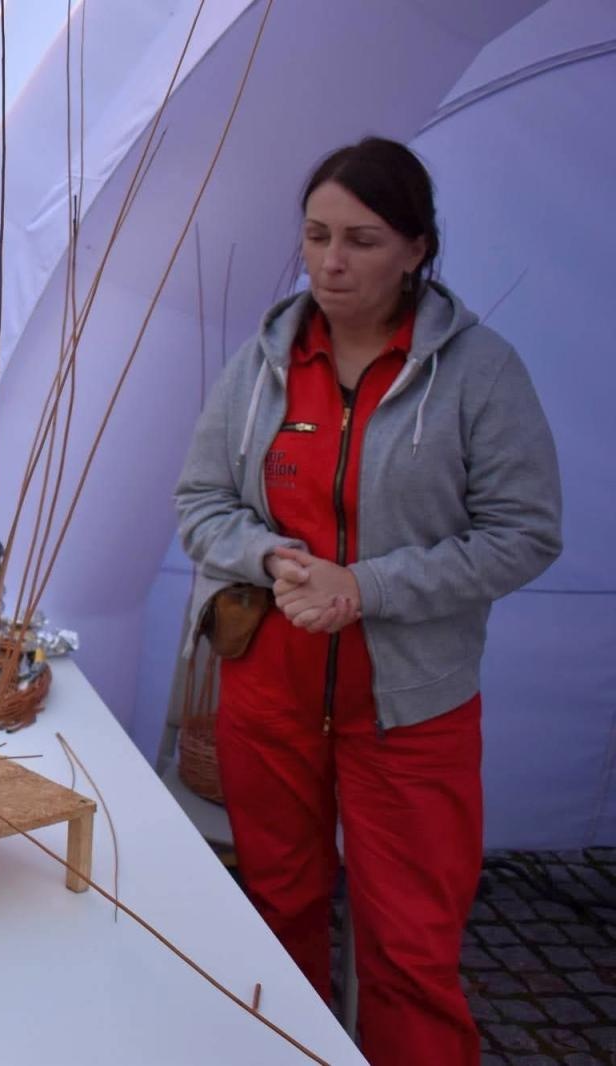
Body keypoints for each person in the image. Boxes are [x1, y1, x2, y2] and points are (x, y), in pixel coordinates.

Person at [174, 137, 562, 1066]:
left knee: (411, 953)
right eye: (316, 236)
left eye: (362, 240)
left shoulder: (480, 372)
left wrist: (367, 587)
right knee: (276, 920)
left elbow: (525, 532)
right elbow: (200, 503)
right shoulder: (264, 362)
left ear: (417, 248)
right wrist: (270, 556)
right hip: (269, 695)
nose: (332, 261)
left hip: (412, 710)